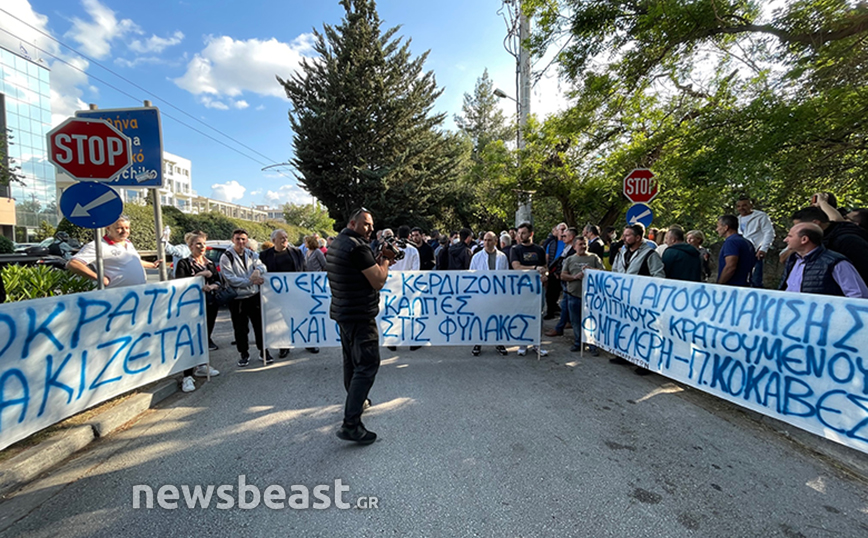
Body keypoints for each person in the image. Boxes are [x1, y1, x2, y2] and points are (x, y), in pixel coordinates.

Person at [326, 208, 392, 445]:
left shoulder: (337, 243)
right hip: (360, 314)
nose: (370, 229)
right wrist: (385, 260)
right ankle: (351, 424)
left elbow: (354, 274)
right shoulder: (357, 247)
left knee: (351, 362)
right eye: (366, 224)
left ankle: (357, 401)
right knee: (367, 365)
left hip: (344, 312)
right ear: (352, 223)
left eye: (372, 225)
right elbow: (378, 281)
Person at [174, 231, 221, 392]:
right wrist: (202, 275)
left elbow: (217, 280)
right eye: (198, 244)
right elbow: (181, 283)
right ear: (190, 246)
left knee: (204, 335)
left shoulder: (210, 263)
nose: (201, 247)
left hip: (209, 303)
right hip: (191, 307)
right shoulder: (184, 263)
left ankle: (202, 365)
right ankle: (187, 375)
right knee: (191, 339)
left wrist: (212, 285)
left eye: (203, 244)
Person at [260, 229, 317, 357]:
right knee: (283, 321)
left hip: (296, 293)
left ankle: (308, 342)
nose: (285, 239)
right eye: (281, 238)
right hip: (277, 295)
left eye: (286, 237)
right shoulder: (265, 255)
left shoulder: (296, 252)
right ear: (273, 240)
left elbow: (304, 269)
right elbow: (262, 271)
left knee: (302, 317)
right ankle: (284, 346)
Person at [220, 228, 270, 367]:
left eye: (243, 239)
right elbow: (230, 278)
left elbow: (262, 266)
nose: (241, 241)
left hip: (253, 295)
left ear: (246, 240)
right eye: (238, 239)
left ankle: (263, 351)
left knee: (259, 325)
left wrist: (257, 271)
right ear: (232, 240)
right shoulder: (226, 256)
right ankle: (244, 354)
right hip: (237, 299)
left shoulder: (251, 253)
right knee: (240, 328)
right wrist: (251, 281)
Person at [67, 216, 161, 288]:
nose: (124, 231)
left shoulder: (128, 243)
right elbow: (73, 263)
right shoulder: (98, 245)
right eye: (119, 228)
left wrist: (152, 265)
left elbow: (132, 260)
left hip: (138, 293)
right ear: (108, 228)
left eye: (127, 228)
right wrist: (99, 278)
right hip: (116, 297)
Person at [780, 223, 868, 298]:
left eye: (790, 236)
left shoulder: (835, 262)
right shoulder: (793, 260)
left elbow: (858, 295)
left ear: (804, 239)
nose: (785, 240)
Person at [790, 206, 868, 286]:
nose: (795, 229)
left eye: (799, 226)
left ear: (816, 223)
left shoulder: (848, 241)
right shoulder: (824, 239)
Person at [510, 222, 549, 357]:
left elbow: (545, 267)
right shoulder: (515, 249)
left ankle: (537, 343)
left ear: (531, 234)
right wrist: (534, 269)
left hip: (538, 289)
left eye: (524, 233)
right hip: (522, 288)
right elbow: (516, 267)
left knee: (538, 315)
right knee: (522, 314)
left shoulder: (539, 250)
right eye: (519, 233)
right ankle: (522, 343)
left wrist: (545, 276)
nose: (520, 235)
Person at [560, 235, 604, 354]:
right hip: (573, 295)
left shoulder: (594, 258)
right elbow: (563, 275)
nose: (583, 246)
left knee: (591, 321)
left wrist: (592, 270)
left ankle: (593, 344)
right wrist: (574, 277)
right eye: (580, 244)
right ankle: (578, 342)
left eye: (585, 244)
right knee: (575, 321)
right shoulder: (570, 259)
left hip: (591, 297)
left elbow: (604, 273)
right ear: (574, 246)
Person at [469, 231, 509, 356]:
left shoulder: (502, 257)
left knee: (497, 318)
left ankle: (499, 342)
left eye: (490, 240)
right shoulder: (476, 257)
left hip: (497, 293)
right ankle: (478, 343)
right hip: (481, 294)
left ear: (495, 241)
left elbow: (506, 275)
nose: (487, 243)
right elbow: (471, 275)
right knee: (481, 318)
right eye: (485, 240)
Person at [735, 196, 775, 288]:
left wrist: (764, 248)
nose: (741, 208)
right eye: (739, 206)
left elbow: (769, 232)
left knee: (756, 280)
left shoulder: (760, 216)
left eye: (744, 205)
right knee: (741, 279)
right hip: (741, 252)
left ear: (751, 205)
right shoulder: (737, 219)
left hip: (756, 251)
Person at [546, 227, 577, 337]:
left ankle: (561, 327)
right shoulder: (565, 248)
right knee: (565, 304)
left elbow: (568, 264)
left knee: (566, 304)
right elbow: (560, 261)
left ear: (571, 237)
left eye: (565, 236)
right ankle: (564, 324)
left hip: (570, 280)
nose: (562, 238)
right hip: (562, 277)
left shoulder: (573, 250)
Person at [716, 214, 757, 287]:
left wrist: (719, 285)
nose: (717, 229)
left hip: (732, 287)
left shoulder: (731, 242)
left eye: (718, 226)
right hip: (746, 285)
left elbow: (730, 266)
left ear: (726, 227)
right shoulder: (747, 242)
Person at [543, 223, 567, 319]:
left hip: (564, 271)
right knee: (550, 294)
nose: (562, 232)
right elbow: (547, 257)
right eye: (561, 229)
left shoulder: (569, 243)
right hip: (553, 271)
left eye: (564, 229)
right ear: (556, 231)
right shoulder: (551, 244)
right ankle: (551, 312)